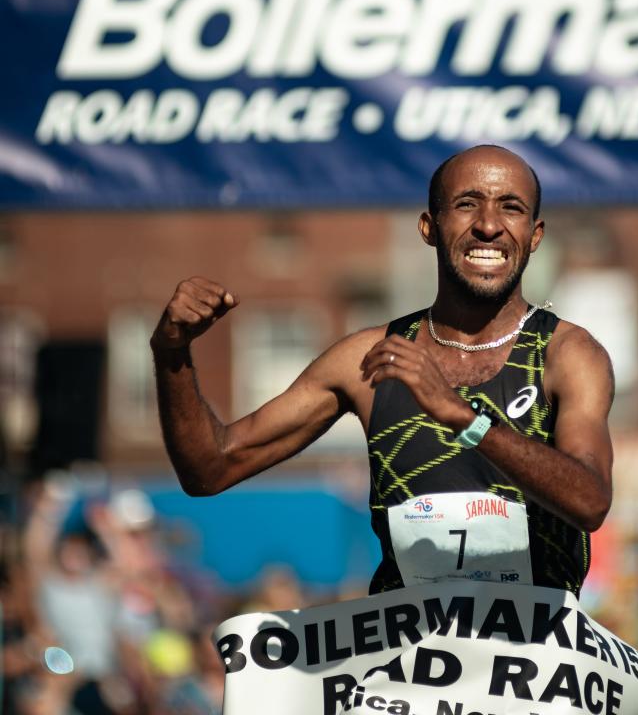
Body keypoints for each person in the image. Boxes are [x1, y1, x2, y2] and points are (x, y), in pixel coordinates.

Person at [151, 144, 614, 596]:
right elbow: (210, 468)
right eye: (467, 205)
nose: (489, 225)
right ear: (429, 227)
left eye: (510, 208)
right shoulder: (370, 358)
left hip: (533, 661)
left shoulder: (566, 354)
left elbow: (590, 501)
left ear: (534, 236)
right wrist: (172, 353)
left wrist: (466, 420)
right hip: (409, 662)